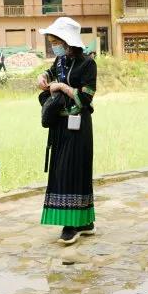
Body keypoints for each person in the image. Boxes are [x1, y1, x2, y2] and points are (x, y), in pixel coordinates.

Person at [37, 16, 97, 245]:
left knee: (74, 171)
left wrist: (63, 87)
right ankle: (84, 222)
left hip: (78, 126)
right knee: (60, 170)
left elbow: (86, 97)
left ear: (67, 41)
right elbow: (49, 74)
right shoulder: (60, 62)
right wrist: (43, 77)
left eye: (56, 41)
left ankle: (72, 224)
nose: (54, 45)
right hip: (60, 125)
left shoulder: (88, 63)